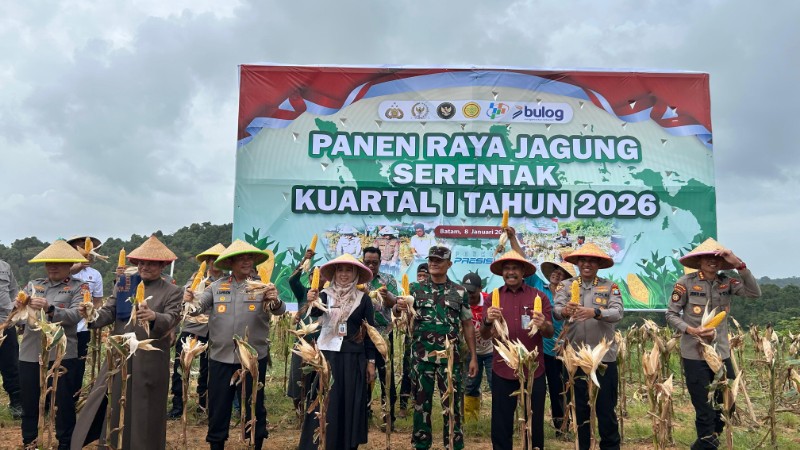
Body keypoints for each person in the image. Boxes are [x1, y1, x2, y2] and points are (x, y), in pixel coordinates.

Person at [72, 235, 183, 450]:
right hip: (120, 356)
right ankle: (113, 444)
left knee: (146, 408)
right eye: (141, 262)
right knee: (114, 403)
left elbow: (172, 318)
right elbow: (109, 312)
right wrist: (91, 316)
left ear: (162, 265)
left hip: (150, 359)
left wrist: (154, 316)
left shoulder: (172, 291)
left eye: (151, 263)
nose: (144, 266)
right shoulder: (125, 285)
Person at [188, 240, 285, 450]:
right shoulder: (216, 287)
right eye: (241, 258)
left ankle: (255, 442)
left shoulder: (263, 286)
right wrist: (190, 301)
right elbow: (198, 307)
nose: (246, 261)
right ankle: (216, 443)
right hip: (220, 357)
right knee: (218, 406)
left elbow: (278, 310)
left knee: (254, 405)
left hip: (252, 359)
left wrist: (275, 300)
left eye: (249, 258)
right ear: (230, 262)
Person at [665, 238, 760, 450]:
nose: (712, 262)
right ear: (699, 261)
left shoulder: (727, 282)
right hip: (694, 354)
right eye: (707, 258)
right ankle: (708, 443)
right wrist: (691, 330)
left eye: (717, 258)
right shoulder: (686, 282)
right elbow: (671, 314)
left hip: (721, 353)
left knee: (728, 402)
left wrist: (738, 264)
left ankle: (707, 441)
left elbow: (754, 293)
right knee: (703, 406)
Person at [396, 246, 478, 450]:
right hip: (421, 357)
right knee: (420, 405)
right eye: (431, 259)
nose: (433, 263)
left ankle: (453, 444)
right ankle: (421, 444)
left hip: (450, 360)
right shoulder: (414, 289)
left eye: (439, 260)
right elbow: (401, 319)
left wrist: (474, 357)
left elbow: (467, 324)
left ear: (449, 264)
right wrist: (398, 309)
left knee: (452, 406)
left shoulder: (459, 292)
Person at [298, 254, 377, 449]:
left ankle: (347, 443)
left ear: (356, 273)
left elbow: (370, 333)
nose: (344, 274)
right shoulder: (325, 295)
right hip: (328, 357)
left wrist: (371, 362)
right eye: (340, 270)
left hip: (353, 359)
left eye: (348, 270)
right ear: (334, 273)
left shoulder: (363, 299)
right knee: (327, 400)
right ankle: (323, 441)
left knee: (349, 401)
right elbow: (315, 314)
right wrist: (311, 300)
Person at [481, 251, 553, 450]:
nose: (510, 272)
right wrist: (487, 320)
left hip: (533, 370)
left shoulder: (539, 296)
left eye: (515, 268)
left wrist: (543, 323)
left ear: (523, 272)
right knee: (501, 422)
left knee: (533, 420)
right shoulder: (492, 299)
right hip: (502, 368)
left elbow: (549, 332)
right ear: (502, 273)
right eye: (507, 269)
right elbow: (485, 335)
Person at [553, 242, 623, 450]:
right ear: (577, 263)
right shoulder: (565, 286)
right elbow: (556, 312)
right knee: (580, 410)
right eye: (583, 260)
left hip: (604, 359)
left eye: (592, 261)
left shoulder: (610, 286)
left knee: (606, 410)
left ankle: (610, 447)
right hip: (575, 360)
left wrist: (596, 312)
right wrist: (566, 311)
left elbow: (618, 313)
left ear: (599, 264)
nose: (587, 264)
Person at [18, 240, 85, 450]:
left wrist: (50, 309)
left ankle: (66, 443)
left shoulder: (78, 288)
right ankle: (30, 443)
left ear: (69, 264)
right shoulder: (33, 285)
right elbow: (20, 319)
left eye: (57, 263)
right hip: (30, 353)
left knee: (63, 405)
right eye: (49, 263)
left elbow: (75, 316)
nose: (52, 267)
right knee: (30, 403)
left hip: (61, 354)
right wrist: (20, 307)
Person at [506, 226, 573, 436]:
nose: (556, 274)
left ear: (565, 278)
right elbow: (524, 260)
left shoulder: (570, 295)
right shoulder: (538, 286)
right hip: (535, 347)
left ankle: (561, 426)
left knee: (558, 387)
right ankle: (526, 423)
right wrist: (512, 238)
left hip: (557, 348)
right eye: (554, 271)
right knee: (529, 386)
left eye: (560, 272)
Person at [168, 243, 226, 419]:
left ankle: (203, 405)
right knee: (181, 365)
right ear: (207, 261)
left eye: (219, 259)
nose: (214, 262)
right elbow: (185, 299)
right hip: (193, 327)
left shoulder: (227, 282)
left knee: (207, 369)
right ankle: (178, 405)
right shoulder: (196, 277)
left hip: (215, 330)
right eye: (212, 259)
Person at [361, 246, 399, 429]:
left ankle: (388, 415)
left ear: (380, 263)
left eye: (374, 263)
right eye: (367, 262)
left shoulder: (388, 280)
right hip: (361, 335)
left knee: (386, 375)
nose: (370, 265)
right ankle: (363, 413)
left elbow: (395, 306)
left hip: (383, 334)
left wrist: (388, 297)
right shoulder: (357, 280)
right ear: (362, 261)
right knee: (363, 375)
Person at [66, 235, 104, 400]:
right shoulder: (63, 269)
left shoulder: (95, 275)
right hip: (62, 326)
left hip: (82, 328)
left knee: (78, 365)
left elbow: (98, 300)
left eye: (86, 246)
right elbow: (66, 274)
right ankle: (51, 400)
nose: (84, 248)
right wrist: (79, 265)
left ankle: (73, 398)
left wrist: (91, 315)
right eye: (79, 246)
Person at [287, 248, 318, 414]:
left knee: (317, 379)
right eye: (313, 275)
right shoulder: (303, 293)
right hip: (302, 343)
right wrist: (303, 261)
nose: (317, 278)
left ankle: (313, 410)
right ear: (310, 277)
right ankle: (299, 408)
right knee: (299, 378)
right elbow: (292, 280)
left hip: (321, 345)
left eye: (322, 276)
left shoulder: (328, 296)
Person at [398, 262, 429, 418]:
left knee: (421, 373)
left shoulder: (433, 292)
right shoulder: (412, 289)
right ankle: (403, 406)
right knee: (407, 371)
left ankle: (417, 403)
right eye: (420, 275)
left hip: (427, 339)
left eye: (425, 275)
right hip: (412, 336)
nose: (422, 278)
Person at [460, 272, 492, 423]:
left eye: (472, 292)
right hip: (470, 351)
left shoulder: (488, 301)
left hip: (491, 350)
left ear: (480, 289)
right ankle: (471, 420)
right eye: (466, 291)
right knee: (471, 384)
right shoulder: (460, 302)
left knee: (495, 383)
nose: (469, 295)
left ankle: (500, 418)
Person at [0, 257, 22, 419]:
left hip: (6, 323)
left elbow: (14, 292)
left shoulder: (5, 266)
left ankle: (17, 403)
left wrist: (18, 316)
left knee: (11, 365)